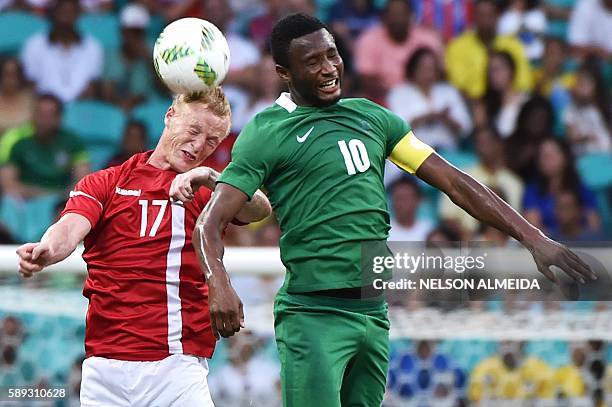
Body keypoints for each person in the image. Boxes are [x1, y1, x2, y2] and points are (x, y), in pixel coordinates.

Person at [195, 13, 594, 407]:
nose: (329, 68)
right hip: (314, 315)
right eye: (312, 61)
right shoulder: (268, 131)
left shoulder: (373, 118)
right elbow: (209, 223)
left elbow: (455, 182)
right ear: (284, 72)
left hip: (374, 312)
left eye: (332, 55)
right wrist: (220, 283)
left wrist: (534, 238)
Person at [15, 89, 272, 406]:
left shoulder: (208, 193)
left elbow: (260, 208)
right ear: (169, 116)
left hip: (177, 368)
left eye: (211, 140)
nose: (198, 145)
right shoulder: (107, 182)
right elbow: (69, 228)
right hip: (104, 370)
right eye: (194, 131)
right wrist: (47, 250)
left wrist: (209, 176)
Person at [0, 93, 90, 199]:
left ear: (59, 118)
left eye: (48, 115)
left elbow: (83, 179)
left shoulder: (73, 142)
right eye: (39, 114)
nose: (43, 120)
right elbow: (7, 182)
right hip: (27, 200)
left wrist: (60, 196)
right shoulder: (19, 143)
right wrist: (36, 194)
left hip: (61, 200)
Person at [387, 47, 472, 151]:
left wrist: (445, 118)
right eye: (423, 68)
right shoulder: (399, 93)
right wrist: (429, 117)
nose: (428, 73)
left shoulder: (449, 91)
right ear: (413, 69)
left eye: (431, 68)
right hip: (414, 154)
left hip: (448, 153)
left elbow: (465, 129)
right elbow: (398, 131)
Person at [445, 0, 532, 100]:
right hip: (471, 104)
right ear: (474, 17)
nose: (485, 20)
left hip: (510, 102)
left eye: (489, 15)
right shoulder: (457, 47)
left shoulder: (513, 45)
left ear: (498, 16)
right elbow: (457, 86)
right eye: (481, 15)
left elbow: (524, 82)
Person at [354, 0, 443, 96]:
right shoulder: (369, 40)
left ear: (411, 15)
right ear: (384, 17)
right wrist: (399, 98)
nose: (397, 19)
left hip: (426, 97)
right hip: (385, 100)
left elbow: (441, 74)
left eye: (402, 14)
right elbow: (367, 79)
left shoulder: (428, 39)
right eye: (393, 14)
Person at [20, 0, 103, 103]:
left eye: (70, 13)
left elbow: (92, 85)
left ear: (78, 15)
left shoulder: (93, 47)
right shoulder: (34, 45)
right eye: (62, 12)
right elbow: (31, 85)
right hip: (45, 109)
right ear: (54, 13)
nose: (66, 18)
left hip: (81, 109)